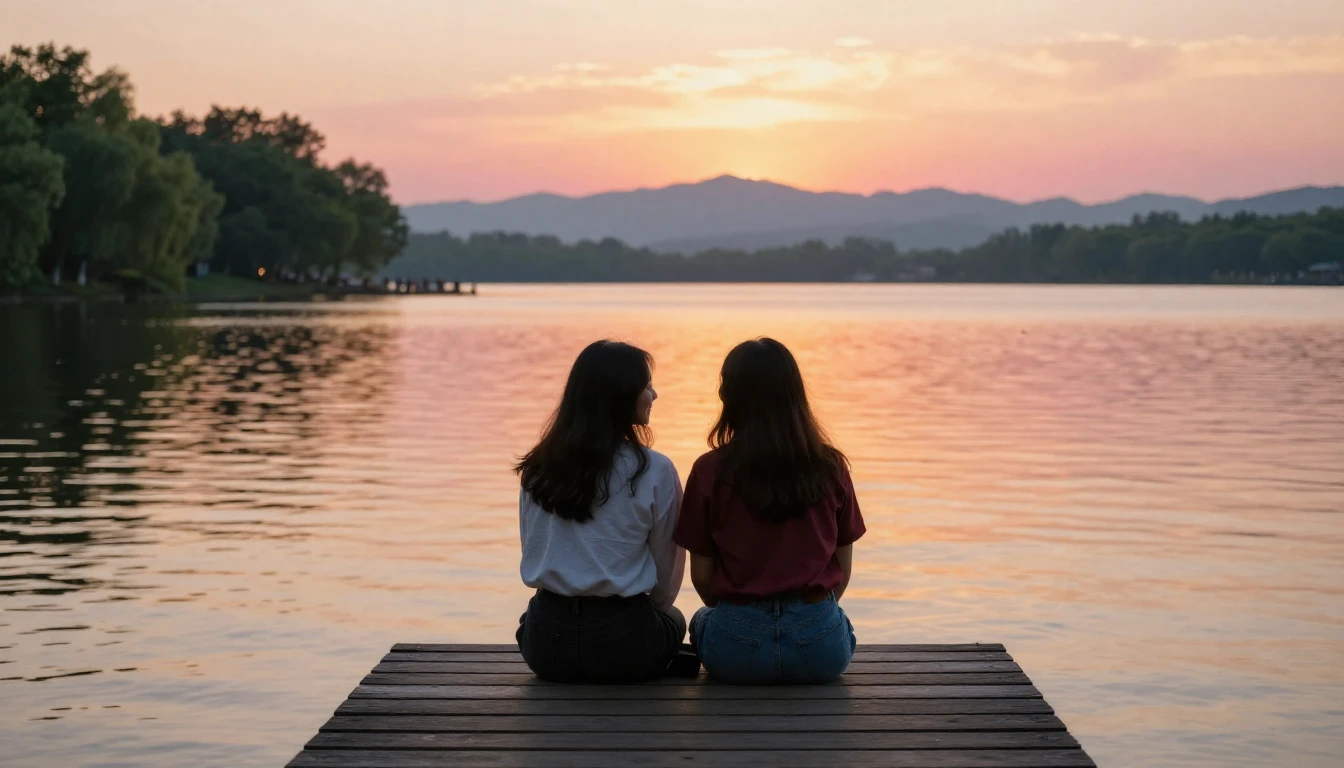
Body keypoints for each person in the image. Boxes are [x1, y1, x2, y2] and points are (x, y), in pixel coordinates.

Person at [674, 338, 865, 684]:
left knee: (700, 620)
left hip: (736, 651)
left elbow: (702, 579)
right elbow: (843, 568)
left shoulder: (708, 470)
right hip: (818, 650)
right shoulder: (830, 466)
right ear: (796, 395)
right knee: (839, 622)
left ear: (728, 397)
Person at [514, 340, 688, 683]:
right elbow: (667, 579)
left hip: (546, 645)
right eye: (647, 386)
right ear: (622, 395)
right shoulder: (655, 470)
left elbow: (533, 550)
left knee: (529, 619)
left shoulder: (538, 468)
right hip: (622, 640)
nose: (654, 395)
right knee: (677, 619)